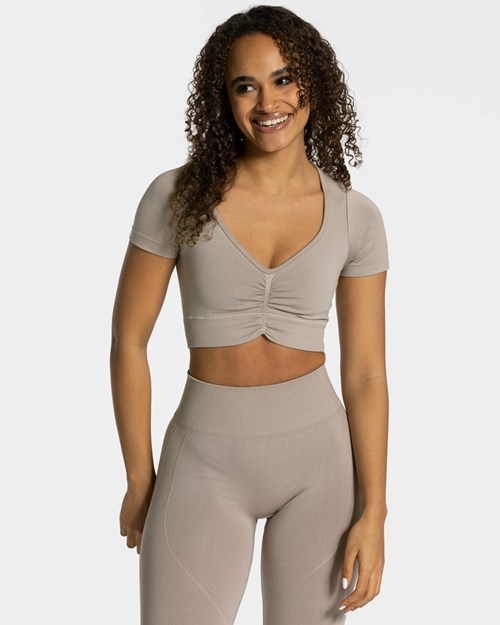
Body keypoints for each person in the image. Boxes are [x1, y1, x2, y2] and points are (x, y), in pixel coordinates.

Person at [110, 5, 389, 624]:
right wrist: (139, 476)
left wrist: (375, 510)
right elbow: (128, 341)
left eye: (284, 78)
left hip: (320, 466)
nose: (268, 102)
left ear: (314, 82)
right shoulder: (177, 197)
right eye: (246, 85)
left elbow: (367, 373)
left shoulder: (357, 217)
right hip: (203, 461)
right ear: (224, 98)